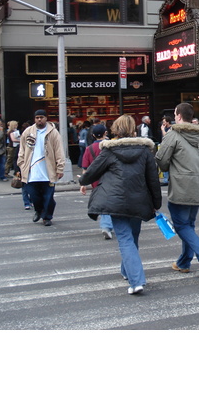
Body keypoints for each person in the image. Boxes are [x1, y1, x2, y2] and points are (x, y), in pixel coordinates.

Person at [79, 114, 161, 295]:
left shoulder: (108, 151)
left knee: (124, 238)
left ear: (115, 129)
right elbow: (153, 180)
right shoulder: (145, 151)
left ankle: (136, 280)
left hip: (115, 200)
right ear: (133, 129)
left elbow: (91, 172)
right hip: (139, 200)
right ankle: (128, 271)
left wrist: (82, 181)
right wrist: (156, 203)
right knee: (133, 237)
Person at [155, 102, 199, 281]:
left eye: (175, 114)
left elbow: (161, 160)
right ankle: (184, 262)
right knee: (189, 225)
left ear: (179, 117)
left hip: (182, 186)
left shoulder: (173, 135)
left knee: (182, 226)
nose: (175, 117)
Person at [17, 109, 65, 226]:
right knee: (34, 196)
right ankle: (38, 211)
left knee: (48, 197)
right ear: (35, 119)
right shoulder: (28, 132)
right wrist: (21, 164)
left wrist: (60, 168)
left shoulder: (53, 133)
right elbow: (22, 149)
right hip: (32, 171)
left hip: (48, 171)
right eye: (37, 117)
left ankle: (47, 217)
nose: (39, 119)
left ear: (46, 118)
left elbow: (59, 151)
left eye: (41, 117)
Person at [81, 124, 114, 240]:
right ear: (106, 133)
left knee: (103, 203)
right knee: (111, 202)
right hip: (111, 179)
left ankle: (107, 225)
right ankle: (106, 225)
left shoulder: (88, 149)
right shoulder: (110, 147)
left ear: (93, 135)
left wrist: (83, 184)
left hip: (96, 181)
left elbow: (85, 168)